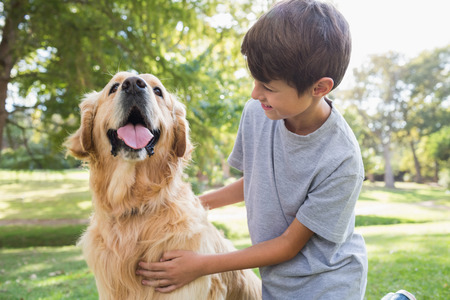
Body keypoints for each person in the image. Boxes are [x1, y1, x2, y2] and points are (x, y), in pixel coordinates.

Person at [136, 0, 368, 299]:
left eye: (268, 86)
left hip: (328, 285)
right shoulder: (260, 111)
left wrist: (202, 265)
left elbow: (288, 244)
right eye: (255, 80)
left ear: (319, 88)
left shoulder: (342, 160)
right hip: (277, 281)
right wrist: (188, 205)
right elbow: (257, 183)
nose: (255, 93)